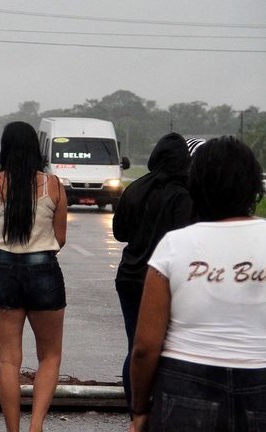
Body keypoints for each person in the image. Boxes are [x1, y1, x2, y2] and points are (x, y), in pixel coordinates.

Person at [130, 135, 266, 432]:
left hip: (185, 387)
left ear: (195, 183)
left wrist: (140, 408)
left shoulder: (175, 245)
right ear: (253, 186)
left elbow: (145, 347)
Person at [0, 121, 67, 432]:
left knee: (8, 361)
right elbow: (61, 238)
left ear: (5, 148)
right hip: (44, 271)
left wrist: (6, 260)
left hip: (2, 270)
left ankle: (12, 430)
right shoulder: (53, 185)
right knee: (50, 355)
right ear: (35, 148)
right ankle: (36, 426)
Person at [111, 132, 194, 411]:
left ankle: (135, 410)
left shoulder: (134, 188)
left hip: (129, 277)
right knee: (167, 348)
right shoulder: (183, 196)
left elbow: (119, 233)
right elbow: (185, 242)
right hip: (165, 282)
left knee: (136, 347)